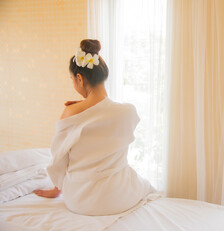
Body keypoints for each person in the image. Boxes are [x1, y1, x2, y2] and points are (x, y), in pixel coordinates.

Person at [34, 39, 156, 216]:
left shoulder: (70, 113)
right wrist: (87, 108)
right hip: (121, 197)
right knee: (146, 185)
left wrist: (57, 189)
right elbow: (104, 118)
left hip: (81, 200)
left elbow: (59, 159)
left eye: (72, 80)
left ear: (79, 78)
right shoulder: (128, 111)